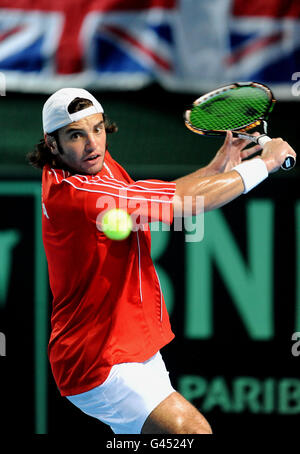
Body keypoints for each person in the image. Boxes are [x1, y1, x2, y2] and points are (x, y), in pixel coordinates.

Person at [28, 87, 296, 435]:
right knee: (193, 432)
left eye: (97, 128)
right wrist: (266, 163)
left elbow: (166, 195)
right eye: (76, 135)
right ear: (52, 143)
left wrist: (215, 170)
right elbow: (187, 204)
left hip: (133, 347)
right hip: (99, 361)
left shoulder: (95, 166)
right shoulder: (79, 196)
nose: (93, 144)